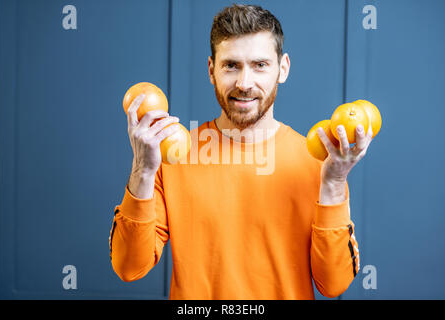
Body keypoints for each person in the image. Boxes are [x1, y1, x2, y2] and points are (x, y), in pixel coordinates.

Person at [109, 4, 371, 300]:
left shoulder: (318, 162)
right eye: (231, 65)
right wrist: (143, 169)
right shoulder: (171, 157)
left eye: (260, 65)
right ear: (211, 70)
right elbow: (129, 267)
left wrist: (334, 184)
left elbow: (333, 284)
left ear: (283, 69)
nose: (244, 84)